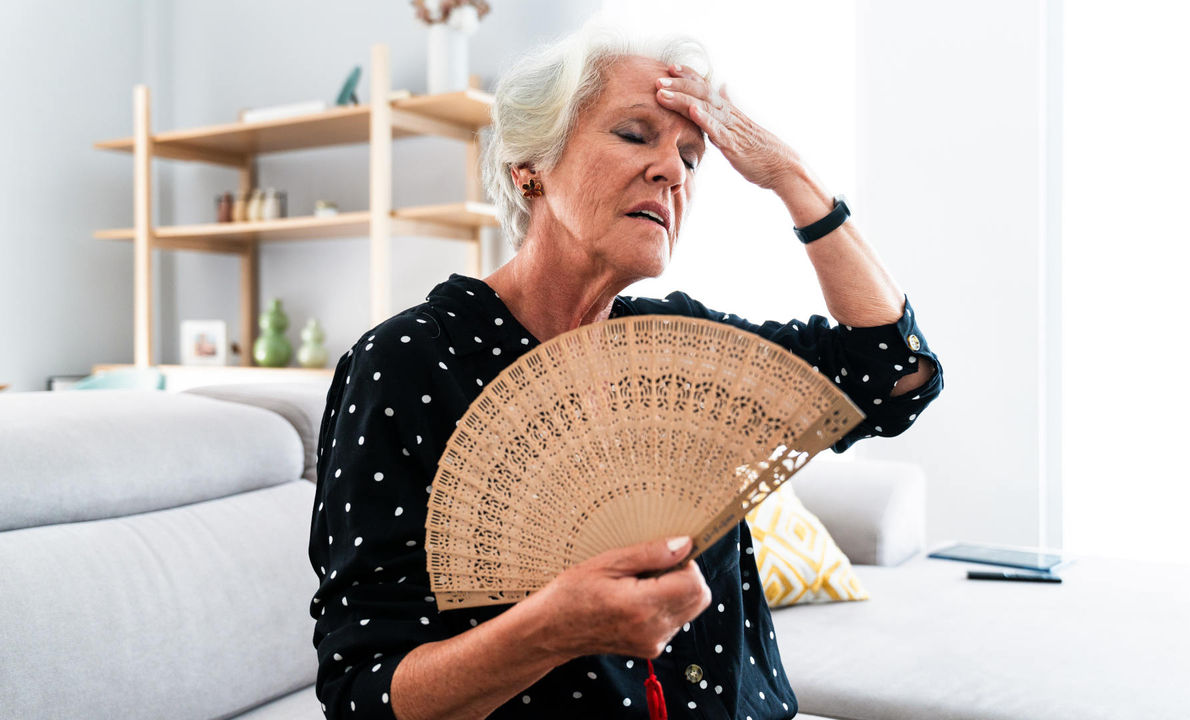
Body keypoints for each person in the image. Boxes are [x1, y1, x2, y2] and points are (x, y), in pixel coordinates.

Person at [309, 21, 943, 720]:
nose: (673, 171)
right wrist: (552, 630)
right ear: (531, 164)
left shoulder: (682, 348)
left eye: (693, 156)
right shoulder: (408, 364)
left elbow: (892, 374)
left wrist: (790, 177)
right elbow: (363, 695)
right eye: (636, 135)